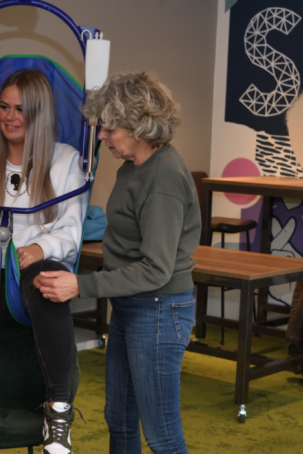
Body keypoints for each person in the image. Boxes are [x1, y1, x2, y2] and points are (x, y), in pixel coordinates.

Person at [34, 71, 200, 454]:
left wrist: (82, 285)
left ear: (138, 124)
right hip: (133, 305)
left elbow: (156, 269)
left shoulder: (163, 180)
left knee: (162, 434)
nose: (103, 136)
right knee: (120, 420)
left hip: (159, 309)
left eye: (110, 128)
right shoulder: (133, 168)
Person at [0, 69, 85, 454]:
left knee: (51, 276)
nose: (10, 117)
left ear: (40, 114)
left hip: (25, 284)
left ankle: (58, 411)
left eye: (21, 110)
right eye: (4, 107)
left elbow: (72, 231)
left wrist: (39, 248)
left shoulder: (65, 161)